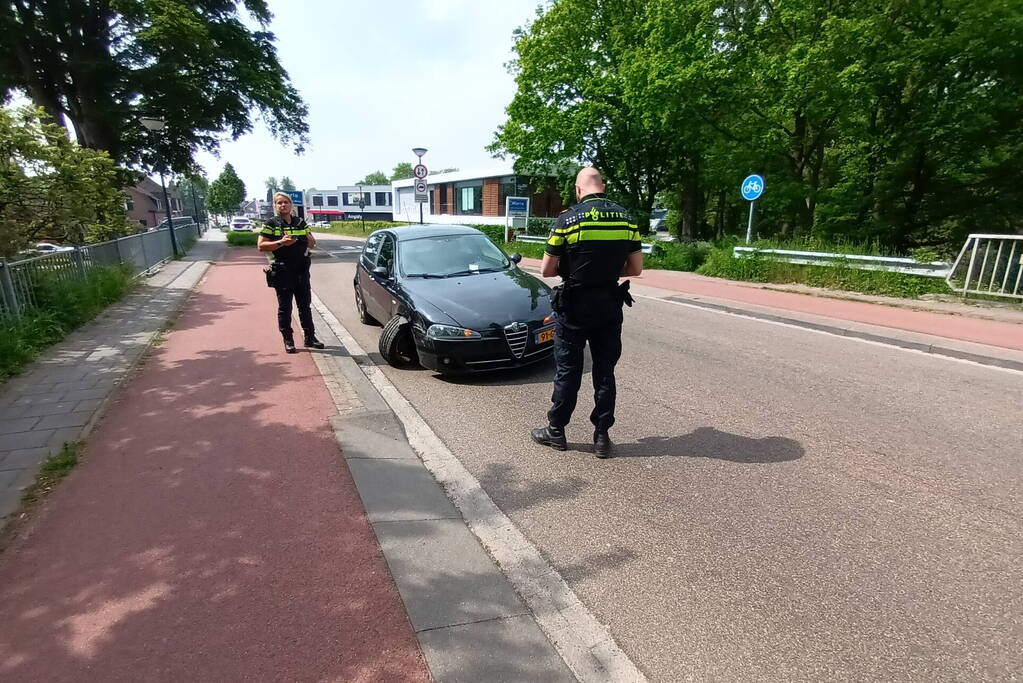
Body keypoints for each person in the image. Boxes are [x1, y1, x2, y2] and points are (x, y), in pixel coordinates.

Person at [530, 167, 643, 458]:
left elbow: (547, 269)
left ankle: (557, 431)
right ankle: (602, 436)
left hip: (573, 307)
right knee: (605, 372)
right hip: (608, 305)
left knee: (568, 371)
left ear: (579, 190)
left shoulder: (567, 220)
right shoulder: (626, 218)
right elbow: (636, 269)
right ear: (602, 187)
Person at [257, 192, 325, 353]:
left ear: (291, 205)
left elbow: (311, 242)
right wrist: (281, 242)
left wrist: (310, 240)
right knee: (285, 308)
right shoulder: (271, 224)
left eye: (286, 202)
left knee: (305, 306)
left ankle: (310, 337)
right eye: (279, 203)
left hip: (301, 269)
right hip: (283, 270)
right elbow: (261, 246)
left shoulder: (300, 222)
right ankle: (288, 339)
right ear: (275, 206)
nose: (283, 205)